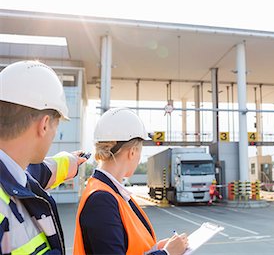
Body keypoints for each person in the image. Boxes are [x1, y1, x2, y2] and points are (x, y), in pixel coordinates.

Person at [73, 107, 188, 255]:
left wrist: (157, 249)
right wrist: (167, 254)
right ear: (132, 152)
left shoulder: (112, 193)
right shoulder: (101, 200)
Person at [0, 60, 87, 254]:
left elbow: (37, 172)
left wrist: (69, 162)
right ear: (45, 124)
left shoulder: (14, 175)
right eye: (57, 126)